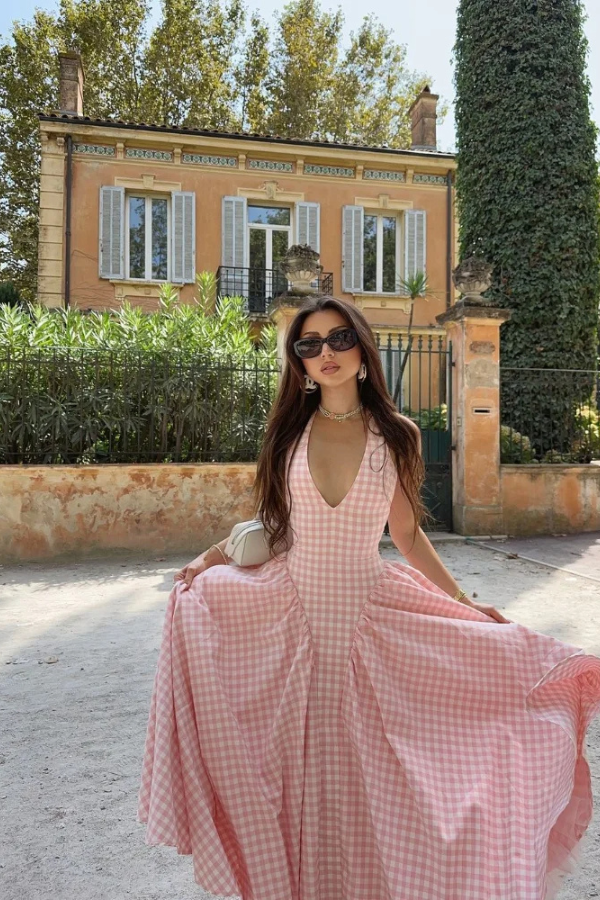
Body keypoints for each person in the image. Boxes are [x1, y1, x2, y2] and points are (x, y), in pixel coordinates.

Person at [138, 295, 600, 900]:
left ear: (362, 348)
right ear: (300, 363)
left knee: (377, 771)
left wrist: (463, 602)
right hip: (289, 617)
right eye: (309, 344)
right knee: (289, 763)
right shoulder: (288, 434)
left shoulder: (398, 436)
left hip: (369, 614)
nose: (325, 352)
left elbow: (406, 535)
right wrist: (209, 560)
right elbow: (273, 525)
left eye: (339, 338)